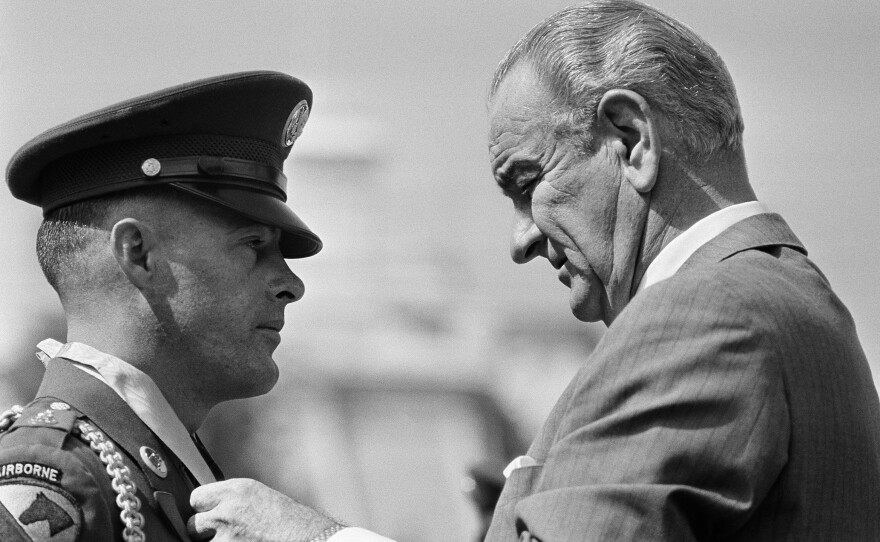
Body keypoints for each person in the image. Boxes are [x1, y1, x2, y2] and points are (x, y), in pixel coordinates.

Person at [186, 1, 880, 541]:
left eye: (528, 182)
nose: (520, 241)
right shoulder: (795, 301)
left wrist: (317, 535)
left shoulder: (702, 317)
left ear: (631, 140)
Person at [0, 71, 325, 541]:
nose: (291, 284)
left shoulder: (159, 471)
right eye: (253, 245)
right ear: (140, 254)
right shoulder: (57, 476)